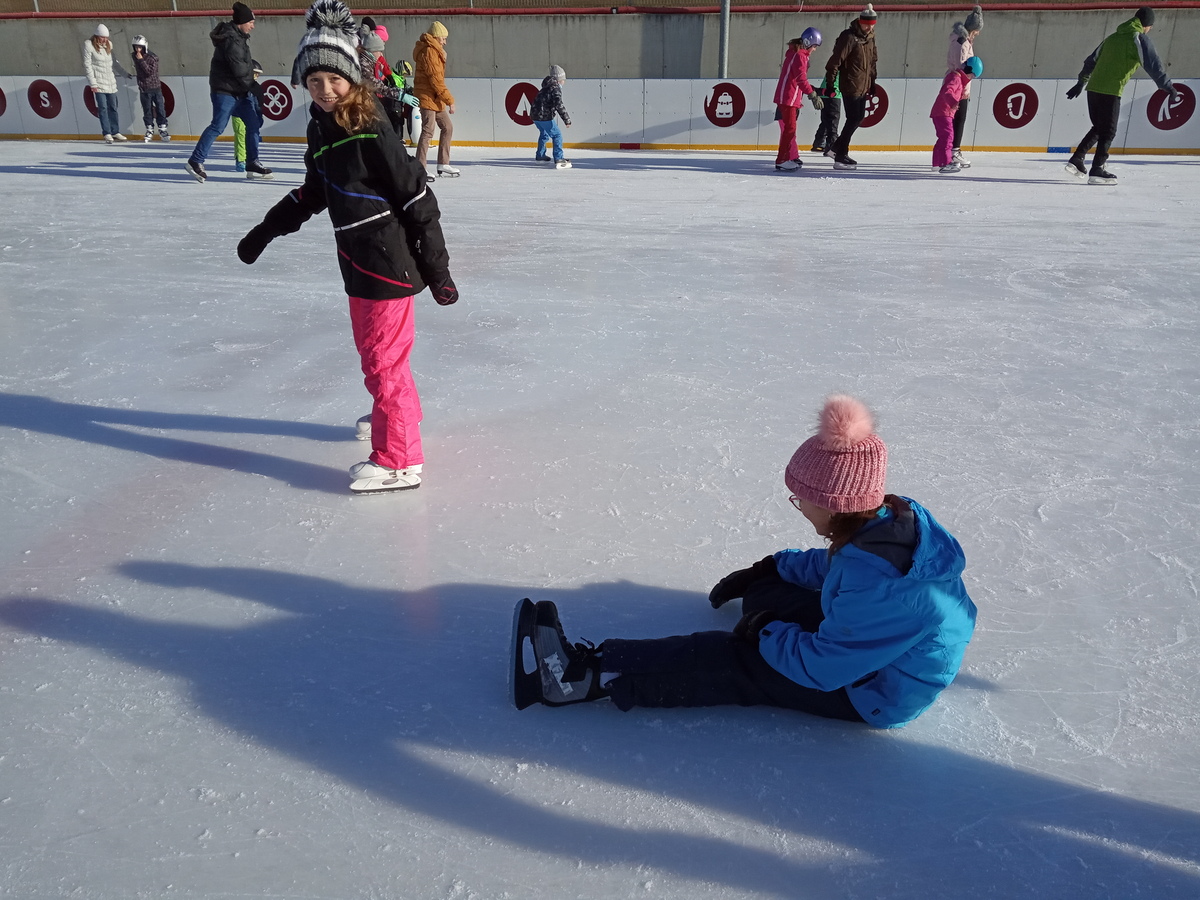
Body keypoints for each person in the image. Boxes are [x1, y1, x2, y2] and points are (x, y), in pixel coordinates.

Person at [513, 394, 977, 729]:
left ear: (834, 505)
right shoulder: (883, 523)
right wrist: (772, 568)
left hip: (871, 690)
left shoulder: (884, 588)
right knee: (768, 592)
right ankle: (765, 603)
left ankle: (578, 678)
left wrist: (765, 631)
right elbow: (845, 567)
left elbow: (822, 669)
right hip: (873, 642)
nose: (799, 506)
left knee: (734, 659)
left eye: (802, 499)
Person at [236, 0, 458, 495]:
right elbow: (315, 191)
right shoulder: (320, 128)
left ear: (352, 77)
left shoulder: (370, 124)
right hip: (356, 261)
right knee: (377, 356)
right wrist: (265, 230)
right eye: (314, 80)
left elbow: (417, 196)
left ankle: (400, 459)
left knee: (382, 361)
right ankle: (395, 415)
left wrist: (437, 270)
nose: (325, 89)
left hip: (387, 262)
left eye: (334, 79)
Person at [1064, 6, 1178, 186]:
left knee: (1100, 127)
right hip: (1110, 90)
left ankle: (1077, 159)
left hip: (1093, 89)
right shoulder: (1138, 38)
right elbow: (1153, 64)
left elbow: (1091, 61)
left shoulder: (1112, 38)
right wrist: (1168, 87)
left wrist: (1081, 82)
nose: (1150, 29)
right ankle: (1097, 169)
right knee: (1109, 131)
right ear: (1147, 24)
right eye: (1151, 26)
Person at [185, 3, 273, 183]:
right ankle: (195, 160)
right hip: (225, 91)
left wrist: (250, 87)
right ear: (242, 22)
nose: (253, 26)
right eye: (251, 22)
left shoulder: (239, 38)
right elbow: (239, 70)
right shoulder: (231, 40)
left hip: (239, 91)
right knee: (218, 125)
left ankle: (252, 162)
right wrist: (254, 87)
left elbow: (244, 67)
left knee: (253, 124)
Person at [822, 3, 878, 170]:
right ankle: (840, 154)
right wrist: (831, 84)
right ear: (860, 21)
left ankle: (835, 149)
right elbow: (834, 62)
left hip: (863, 85)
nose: (869, 27)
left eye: (872, 24)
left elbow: (873, 62)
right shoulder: (849, 37)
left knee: (858, 117)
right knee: (853, 118)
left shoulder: (870, 38)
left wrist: (872, 82)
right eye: (866, 24)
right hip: (850, 84)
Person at [772, 29, 823, 172]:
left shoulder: (795, 53)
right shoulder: (800, 55)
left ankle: (789, 157)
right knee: (790, 129)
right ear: (807, 42)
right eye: (814, 46)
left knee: (790, 129)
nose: (814, 49)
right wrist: (813, 95)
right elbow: (801, 79)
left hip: (789, 97)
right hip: (788, 97)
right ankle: (782, 160)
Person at [413, 21, 458, 180]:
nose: (445, 42)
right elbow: (436, 80)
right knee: (428, 130)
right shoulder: (429, 52)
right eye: (443, 38)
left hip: (434, 97)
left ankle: (443, 163)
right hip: (427, 96)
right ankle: (420, 167)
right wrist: (450, 100)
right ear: (436, 37)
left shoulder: (435, 50)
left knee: (447, 127)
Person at [360, 25, 419, 138]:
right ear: (373, 50)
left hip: (370, 102)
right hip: (363, 105)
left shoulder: (370, 61)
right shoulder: (364, 64)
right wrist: (400, 95)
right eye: (379, 51)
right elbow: (377, 86)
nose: (381, 54)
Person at [82, 24, 133, 144]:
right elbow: (87, 66)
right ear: (96, 36)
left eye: (106, 37)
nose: (104, 40)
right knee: (103, 108)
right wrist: (93, 84)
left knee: (113, 107)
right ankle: (107, 133)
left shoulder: (109, 45)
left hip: (110, 82)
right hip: (98, 83)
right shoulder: (89, 45)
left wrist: (125, 74)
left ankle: (115, 131)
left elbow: (114, 63)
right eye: (102, 37)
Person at [931, 57, 982, 174]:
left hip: (941, 112)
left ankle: (937, 164)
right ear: (969, 70)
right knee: (948, 137)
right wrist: (953, 102)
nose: (971, 78)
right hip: (944, 112)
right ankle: (945, 163)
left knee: (943, 138)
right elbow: (947, 91)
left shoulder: (957, 78)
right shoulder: (956, 78)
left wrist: (960, 97)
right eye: (973, 75)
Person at [946, 6, 983, 168]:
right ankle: (954, 151)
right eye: (977, 30)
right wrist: (964, 90)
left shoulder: (963, 41)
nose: (978, 33)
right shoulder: (962, 43)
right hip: (958, 87)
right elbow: (962, 69)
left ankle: (951, 150)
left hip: (958, 85)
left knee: (957, 119)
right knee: (958, 119)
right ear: (973, 29)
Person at [530, 65, 572, 169]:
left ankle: (540, 155)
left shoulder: (545, 87)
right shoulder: (555, 88)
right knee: (557, 135)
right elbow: (559, 104)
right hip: (544, 116)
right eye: (563, 80)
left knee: (544, 133)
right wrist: (566, 119)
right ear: (559, 79)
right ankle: (559, 159)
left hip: (535, 116)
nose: (564, 82)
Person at [131, 35, 169, 142]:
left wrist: (141, 60)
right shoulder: (134, 56)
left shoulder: (153, 58)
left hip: (155, 88)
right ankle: (149, 129)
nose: (138, 50)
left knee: (160, 109)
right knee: (147, 110)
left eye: (140, 47)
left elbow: (149, 72)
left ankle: (163, 129)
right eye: (136, 47)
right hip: (144, 88)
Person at [231, 60, 265, 171]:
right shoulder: (238, 84)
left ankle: (252, 159)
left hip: (251, 115)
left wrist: (259, 117)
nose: (257, 76)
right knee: (240, 135)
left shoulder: (256, 87)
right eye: (256, 73)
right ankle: (240, 160)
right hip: (238, 114)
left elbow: (259, 104)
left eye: (258, 74)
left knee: (250, 136)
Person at [810, 71, 841, 154]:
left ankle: (819, 143)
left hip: (824, 92)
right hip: (834, 93)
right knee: (833, 121)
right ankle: (831, 146)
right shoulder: (843, 67)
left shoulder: (834, 68)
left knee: (826, 120)